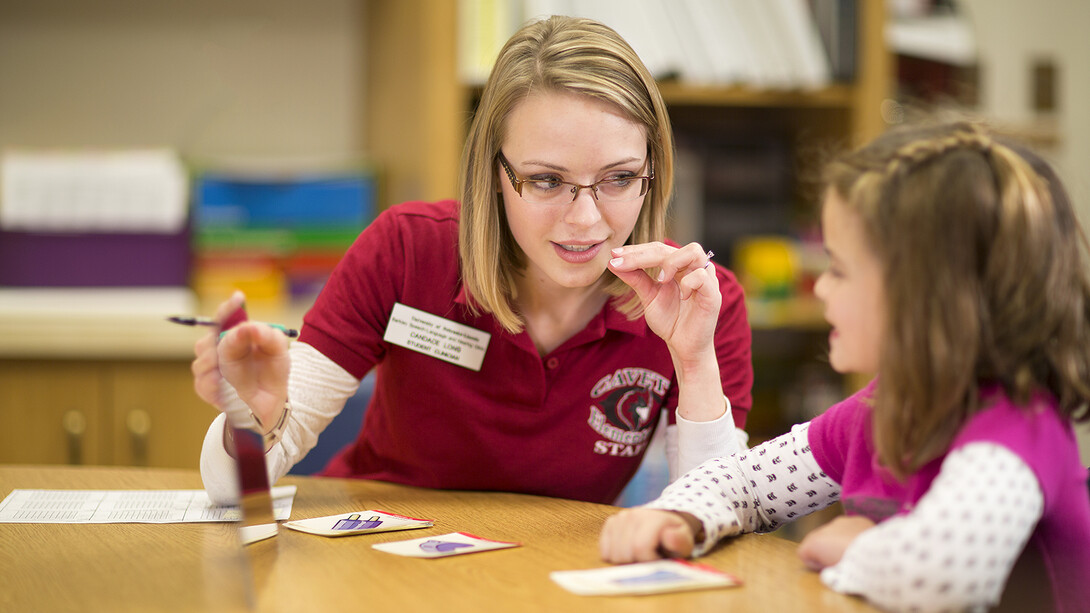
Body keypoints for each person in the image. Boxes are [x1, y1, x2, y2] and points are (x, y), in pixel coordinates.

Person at [192, 15, 754, 507]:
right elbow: (231, 491)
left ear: (652, 173)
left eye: (619, 178)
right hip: (375, 558)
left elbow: (712, 509)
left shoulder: (697, 300)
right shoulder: (407, 251)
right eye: (545, 180)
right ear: (495, 172)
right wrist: (254, 422)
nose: (586, 220)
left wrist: (693, 360)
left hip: (546, 578)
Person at [598, 121, 1090, 612]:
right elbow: (743, 482)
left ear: (926, 300)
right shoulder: (878, 412)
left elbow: (942, 577)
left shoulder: (1021, 426)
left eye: (839, 270)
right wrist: (680, 518)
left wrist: (848, 546)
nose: (823, 289)